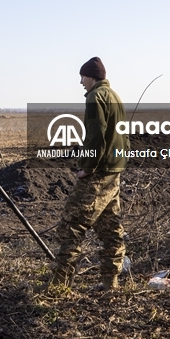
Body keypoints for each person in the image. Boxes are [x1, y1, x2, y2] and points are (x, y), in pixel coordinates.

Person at [48, 57, 129, 291]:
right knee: (111, 228)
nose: (81, 82)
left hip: (98, 172)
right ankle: (110, 281)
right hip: (114, 170)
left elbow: (96, 135)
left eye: (82, 77)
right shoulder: (114, 96)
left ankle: (58, 285)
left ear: (91, 77)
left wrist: (88, 167)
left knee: (71, 225)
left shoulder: (96, 97)